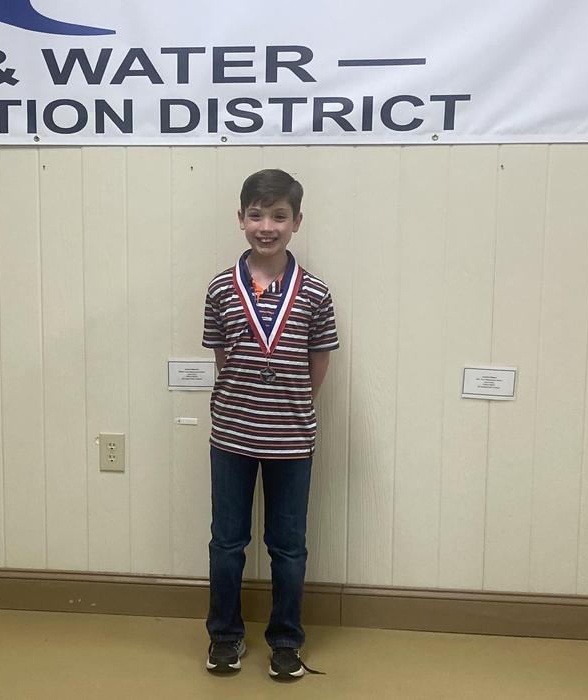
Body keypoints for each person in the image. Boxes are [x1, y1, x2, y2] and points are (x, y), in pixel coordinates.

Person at [201, 168, 339, 680]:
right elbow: (223, 357)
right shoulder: (220, 288)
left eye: (279, 216)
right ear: (241, 218)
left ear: (296, 222)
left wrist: (291, 407)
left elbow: (318, 360)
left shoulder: (315, 293)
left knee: (288, 546)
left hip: (291, 440)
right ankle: (224, 636)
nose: (267, 226)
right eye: (256, 215)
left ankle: (285, 640)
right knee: (227, 543)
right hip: (232, 437)